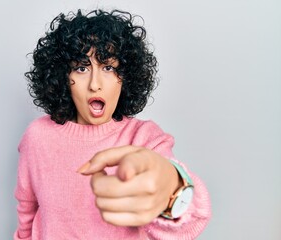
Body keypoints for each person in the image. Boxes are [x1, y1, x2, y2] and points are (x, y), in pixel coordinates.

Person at [14, 9, 211, 240]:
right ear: (63, 77)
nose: (95, 84)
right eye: (82, 68)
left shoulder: (144, 138)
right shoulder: (37, 136)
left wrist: (171, 187)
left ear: (124, 77)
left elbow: (191, 221)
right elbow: (26, 213)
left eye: (108, 67)